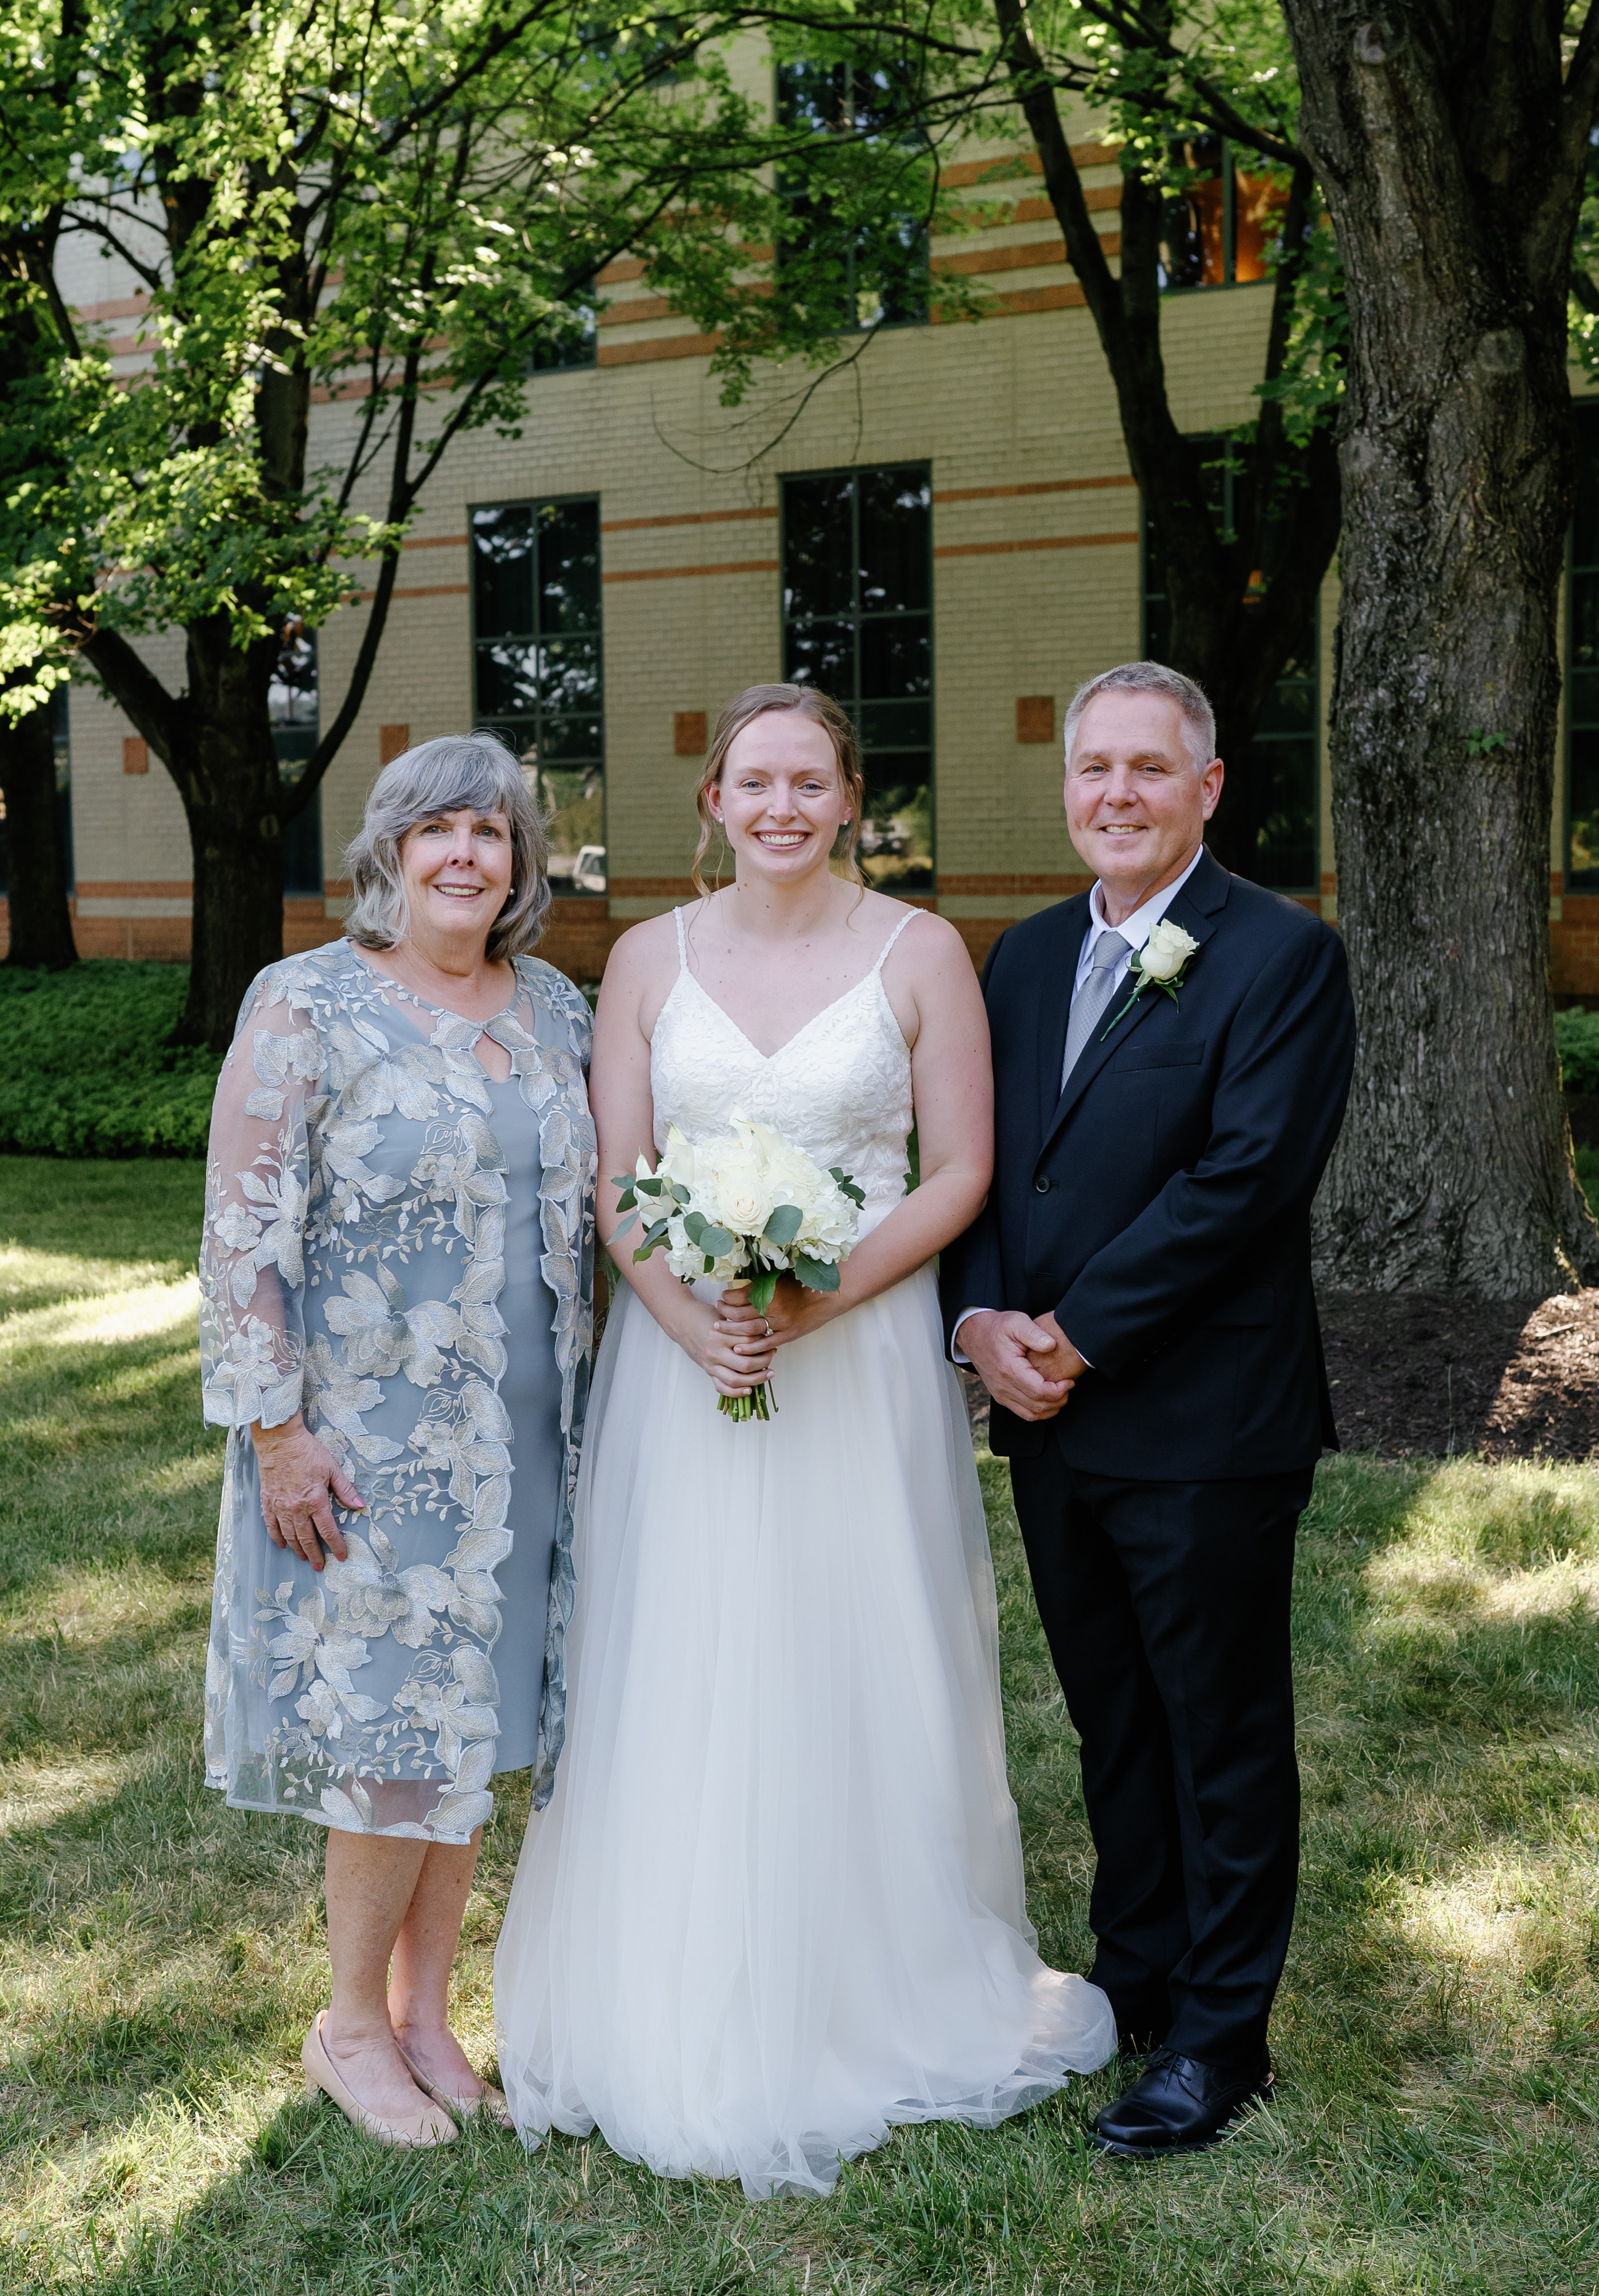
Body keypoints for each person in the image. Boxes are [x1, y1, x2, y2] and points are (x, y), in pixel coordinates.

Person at [493, 683, 1111, 2198]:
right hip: (681, 1361)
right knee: (684, 1647)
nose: (778, 807)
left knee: (852, 1643)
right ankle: (667, 1981)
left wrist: (815, 1293)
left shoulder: (919, 955)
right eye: (751, 783)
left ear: (850, 799)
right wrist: (690, 1310)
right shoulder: (646, 958)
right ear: (713, 803)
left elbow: (960, 1170)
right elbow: (621, 1172)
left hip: (860, 1352)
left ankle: (871, 1978)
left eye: (808, 783)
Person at [940, 660, 1357, 2160]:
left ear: (1207, 787)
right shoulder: (1025, 956)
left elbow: (1245, 1182)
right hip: (1047, 1415)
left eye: (1146, 768)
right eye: (1092, 768)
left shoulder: (1279, 957)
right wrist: (980, 1322)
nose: (1114, 794)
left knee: (1218, 1730)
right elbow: (977, 1164)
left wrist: (1081, 1332)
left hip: (1205, 1420)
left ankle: (1221, 2038)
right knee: (1113, 1719)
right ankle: (1138, 1978)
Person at [196, 733, 597, 2150]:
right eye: (440, 830)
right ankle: (349, 2027)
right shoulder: (307, 1001)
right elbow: (246, 1227)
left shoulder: (554, 1005)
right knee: (389, 1730)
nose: (467, 855)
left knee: (477, 1723)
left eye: (493, 833)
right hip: (374, 1438)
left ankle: (430, 2014)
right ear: (390, 849)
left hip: (535, 1429)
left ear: (521, 863)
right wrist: (280, 1430)